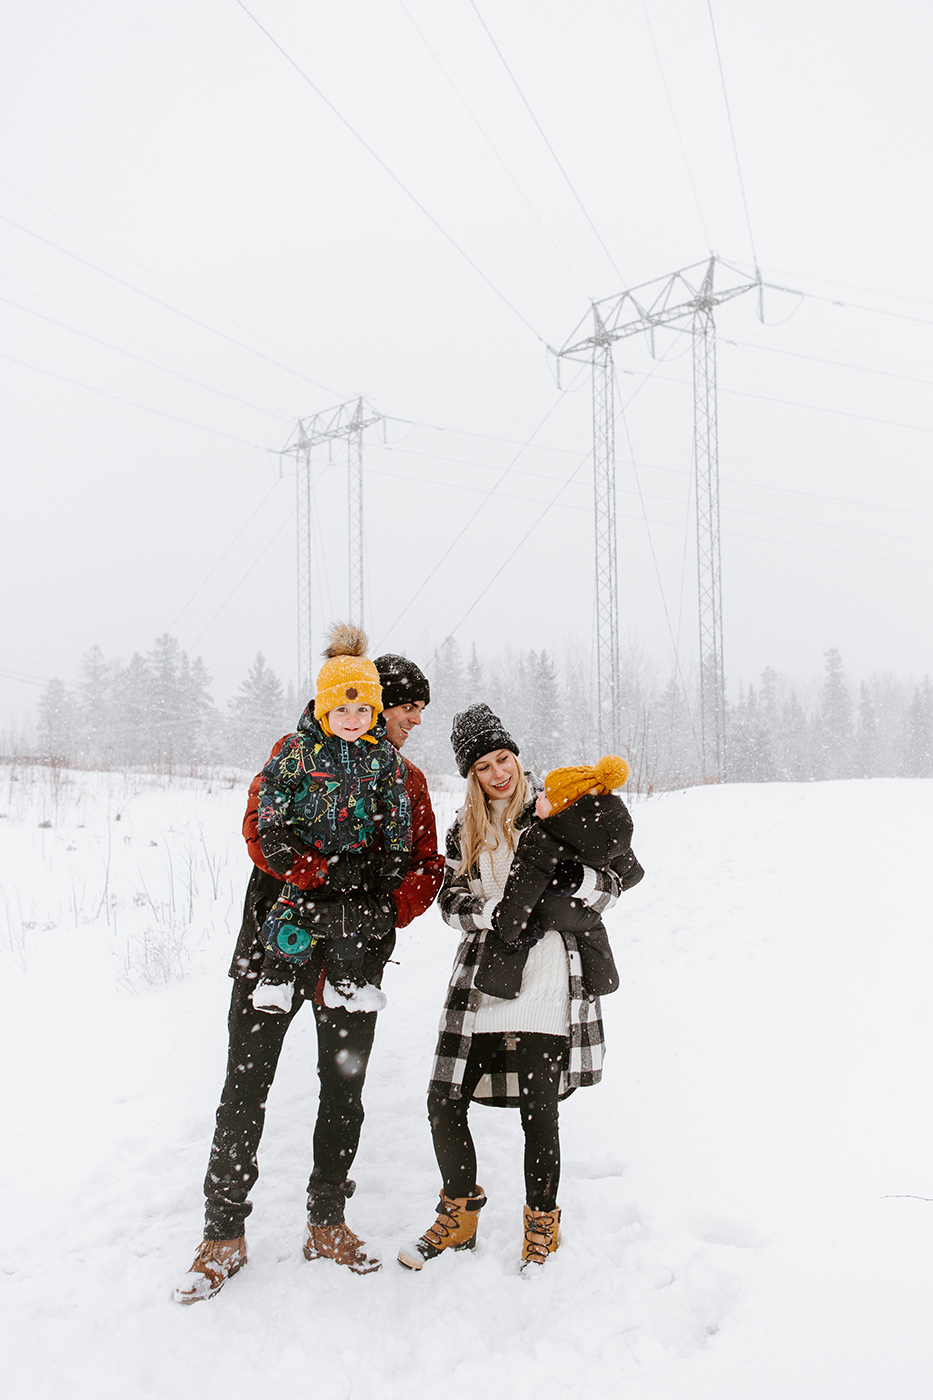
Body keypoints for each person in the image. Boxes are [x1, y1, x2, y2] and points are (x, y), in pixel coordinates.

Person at [174, 646, 443, 1304]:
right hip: (274, 942)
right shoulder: (292, 754)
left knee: (342, 1090)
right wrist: (316, 873)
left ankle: (327, 1222)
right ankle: (222, 1233)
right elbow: (256, 831)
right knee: (245, 1086)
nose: (410, 720)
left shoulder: (402, 778)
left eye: (407, 711)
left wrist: (382, 905)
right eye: (406, 707)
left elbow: (422, 866)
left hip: (353, 953)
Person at [398, 705, 643, 1274]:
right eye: (483, 766)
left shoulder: (557, 806)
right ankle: (459, 1214)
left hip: (550, 972)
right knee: (444, 1098)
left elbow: (612, 886)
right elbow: (450, 902)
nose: (498, 773)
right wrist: (493, 915)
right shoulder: (466, 829)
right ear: (472, 775)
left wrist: (566, 886)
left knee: (540, 1110)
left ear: (517, 756)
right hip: (484, 974)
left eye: (503, 758)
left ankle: (541, 1224)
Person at [251, 623, 411, 1015]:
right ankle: (276, 978)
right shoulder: (299, 749)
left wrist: (397, 851)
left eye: (362, 709)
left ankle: (346, 983)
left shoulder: (382, 756)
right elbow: (272, 787)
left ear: (374, 710)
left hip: (354, 863)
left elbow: (397, 806)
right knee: (290, 917)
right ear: (325, 709)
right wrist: (272, 831)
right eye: (342, 709)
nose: (352, 719)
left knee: (349, 926)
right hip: (305, 853)